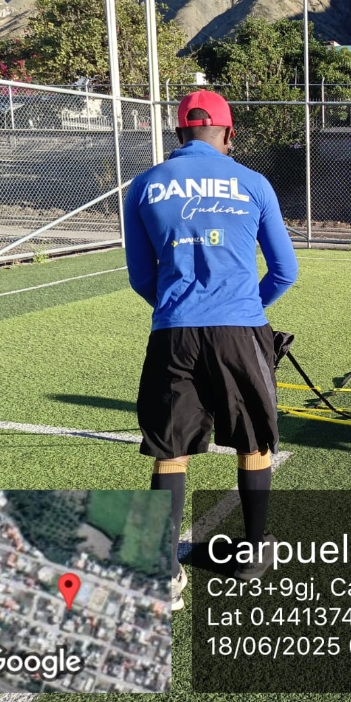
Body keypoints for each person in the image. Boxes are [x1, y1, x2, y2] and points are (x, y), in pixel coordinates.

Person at [123, 90, 299, 608]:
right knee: (254, 440)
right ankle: (254, 552)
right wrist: (245, 309)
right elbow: (285, 271)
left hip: (173, 332)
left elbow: (141, 277)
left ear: (179, 133)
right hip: (240, 331)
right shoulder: (254, 183)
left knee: (170, 450)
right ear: (229, 133)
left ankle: (163, 575)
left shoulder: (145, 185)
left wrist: (179, 309)